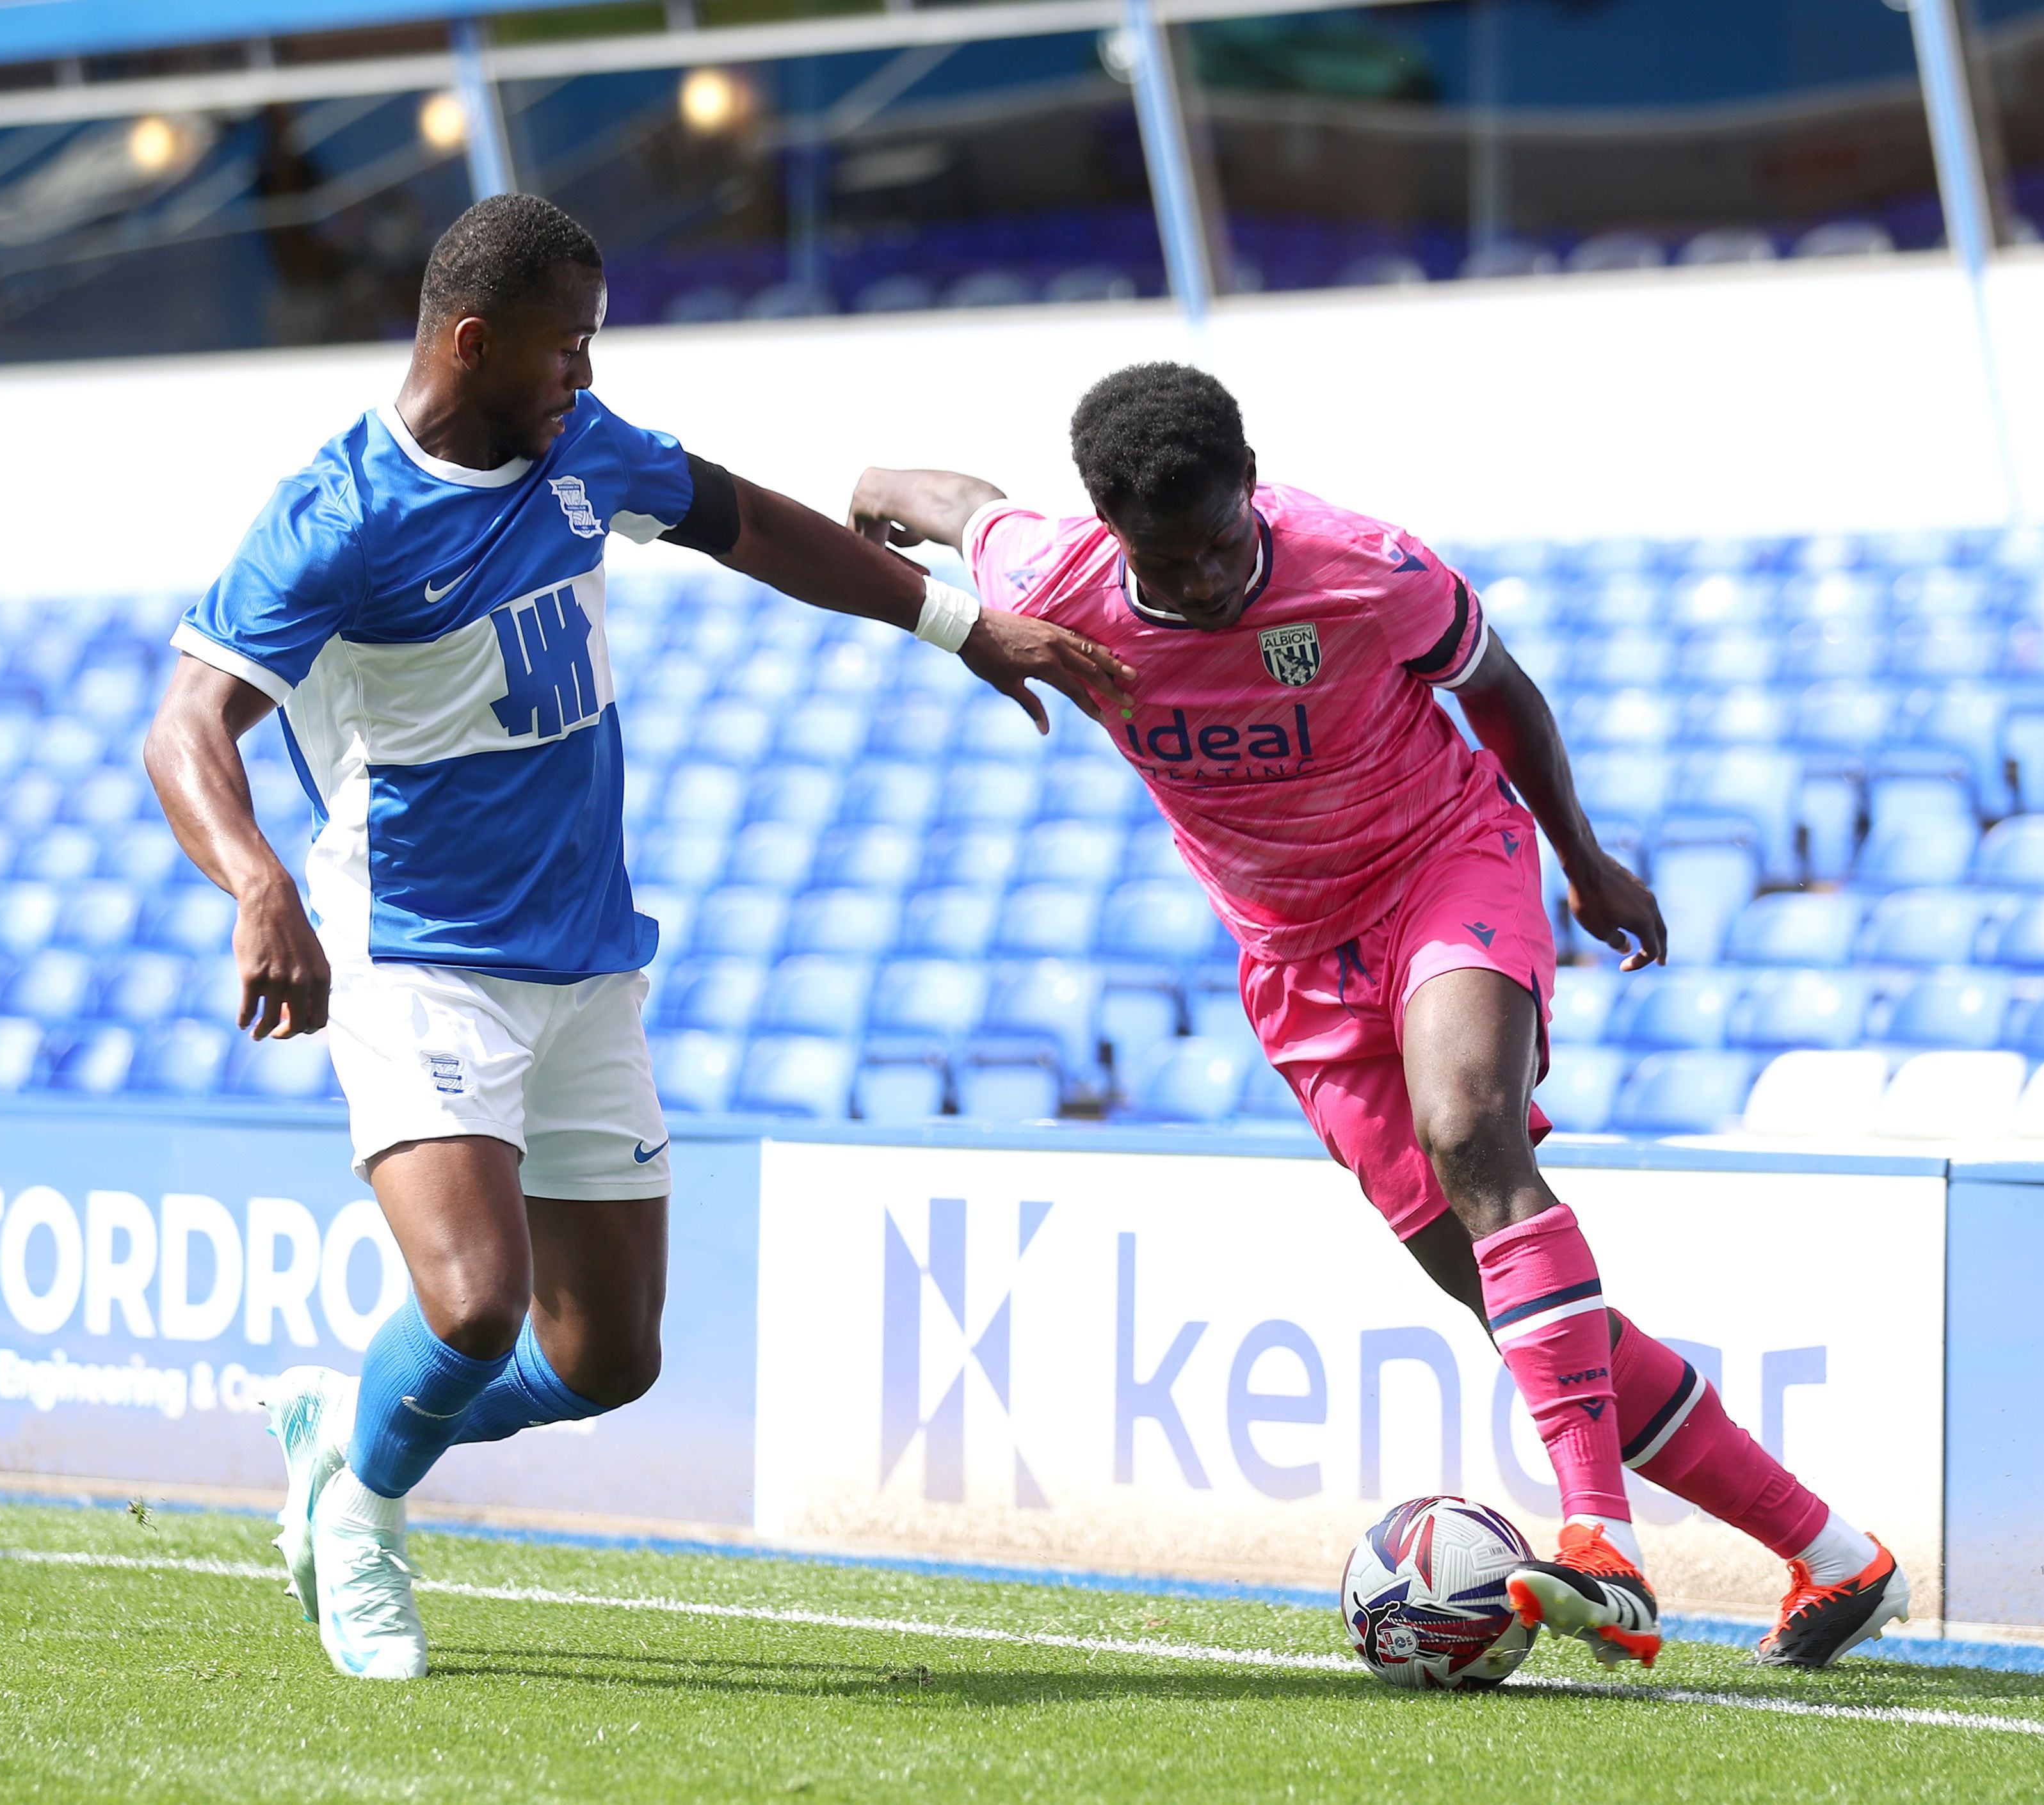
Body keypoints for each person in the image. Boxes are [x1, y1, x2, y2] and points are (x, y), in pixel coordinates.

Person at [145, 194, 1132, 1681]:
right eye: (568, 346)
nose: (588, 378)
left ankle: (338, 1431)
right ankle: (360, 1518)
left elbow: (752, 528)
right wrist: (259, 888)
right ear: (473, 343)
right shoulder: (336, 519)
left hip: (590, 960)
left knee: (608, 1358)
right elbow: (184, 729)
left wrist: (961, 626)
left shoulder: (581, 454)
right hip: (418, 955)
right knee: (474, 1310)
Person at [846, 361, 1908, 1672]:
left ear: (1254, 488)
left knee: (1474, 1133)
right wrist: (867, 497)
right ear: (1111, 532)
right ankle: (1832, 1551)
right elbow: (952, 502)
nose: (1197, 584)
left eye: (1221, 544)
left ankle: (1601, 1540)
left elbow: (1499, 688)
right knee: (1507, 1303)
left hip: (1443, 867)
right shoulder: (1054, 576)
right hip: (1293, 956)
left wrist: (1578, 856)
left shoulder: (1363, 566)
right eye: (1163, 564)